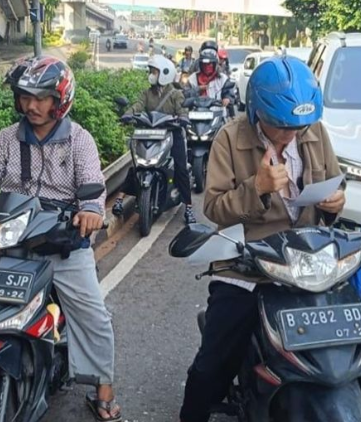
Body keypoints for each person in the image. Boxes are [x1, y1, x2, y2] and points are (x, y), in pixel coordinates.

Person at [0, 56, 123, 422]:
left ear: (60, 99)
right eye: (25, 97)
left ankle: (103, 388)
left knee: (93, 314)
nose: (31, 106)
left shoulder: (79, 140)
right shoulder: (7, 137)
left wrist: (90, 211)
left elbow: (93, 190)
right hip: (9, 237)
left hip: (61, 242)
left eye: (41, 98)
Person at [179, 56, 346, 422]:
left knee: (341, 343)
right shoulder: (230, 137)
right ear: (257, 112)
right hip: (247, 262)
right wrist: (257, 188)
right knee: (214, 360)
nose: (291, 134)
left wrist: (336, 202)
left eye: (297, 126)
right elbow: (215, 208)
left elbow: (335, 183)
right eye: (281, 126)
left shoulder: (313, 131)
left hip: (307, 258)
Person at [111, 55, 195, 225]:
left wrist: (183, 119)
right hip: (149, 133)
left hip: (172, 133)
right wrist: (128, 115)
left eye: (154, 71)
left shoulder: (175, 94)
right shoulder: (147, 93)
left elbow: (182, 110)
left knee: (181, 168)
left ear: (164, 73)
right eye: (151, 71)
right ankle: (120, 199)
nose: (151, 74)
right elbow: (137, 106)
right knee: (137, 165)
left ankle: (188, 208)